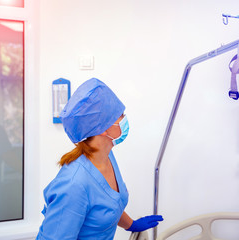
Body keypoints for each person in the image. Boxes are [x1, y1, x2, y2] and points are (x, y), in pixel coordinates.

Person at [37, 78, 163, 239]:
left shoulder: (107, 155)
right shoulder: (74, 184)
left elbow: (108, 207)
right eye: (120, 115)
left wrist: (132, 225)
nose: (124, 119)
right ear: (103, 128)